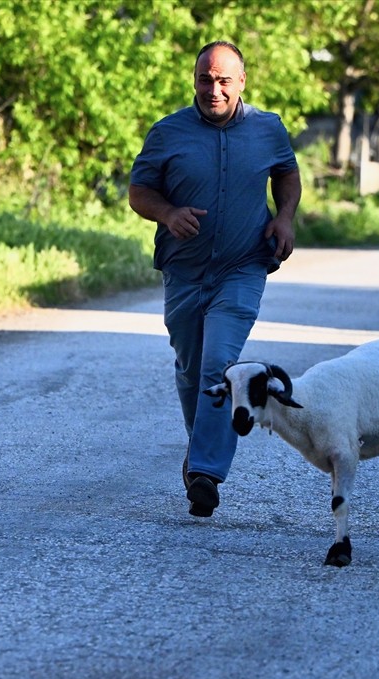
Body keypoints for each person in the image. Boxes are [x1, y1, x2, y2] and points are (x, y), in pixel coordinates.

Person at [129, 40, 301, 518]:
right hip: (184, 269)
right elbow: (139, 191)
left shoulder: (268, 128)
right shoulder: (168, 132)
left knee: (218, 365)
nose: (214, 89)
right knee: (191, 370)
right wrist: (168, 213)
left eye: (224, 80)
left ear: (241, 81)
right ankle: (199, 452)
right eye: (205, 79)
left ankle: (205, 472)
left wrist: (284, 217)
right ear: (195, 80)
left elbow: (287, 174)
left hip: (243, 266)